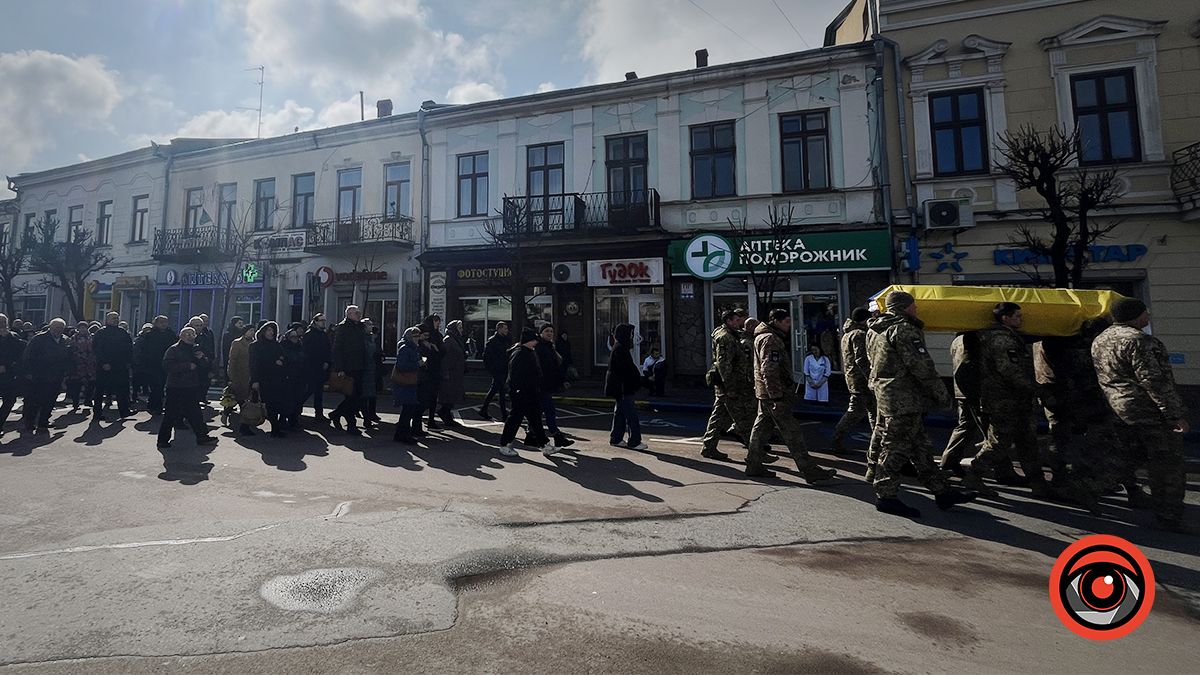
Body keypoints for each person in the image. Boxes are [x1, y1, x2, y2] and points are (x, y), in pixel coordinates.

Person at [867, 291, 976, 518]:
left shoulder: (875, 330)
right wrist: (942, 395)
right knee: (895, 447)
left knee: (921, 447)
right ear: (906, 307)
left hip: (889, 395)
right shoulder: (904, 329)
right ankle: (885, 495)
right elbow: (922, 367)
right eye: (914, 306)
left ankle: (942, 491)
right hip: (903, 399)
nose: (916, 309)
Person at [1092, 298, 1189, 530]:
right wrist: (1174, 414)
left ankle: (1089, 486)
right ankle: (1169, 516)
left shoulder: (1101, 339)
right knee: (1167, 464)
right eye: (1146, 313)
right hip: (1147, 410)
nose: (1148, 317)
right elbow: (1154, 381)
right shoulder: (1140, 341)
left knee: (1127, 456)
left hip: (1117, 408)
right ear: (1136, 316)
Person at [962, 303, 1052, 498]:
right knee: (999, 442)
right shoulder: (1002, 339)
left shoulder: (1002, 336)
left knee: (1028, 442)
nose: (1021, 319)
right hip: (1005, 400)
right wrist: (1035, 388)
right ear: (1005, 318)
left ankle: (1038, 483)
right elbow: (1009, 370)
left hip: (1014, 399)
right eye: (1017, 316)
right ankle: (974, 473)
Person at [745, 309, 837, 482]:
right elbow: (769, 370)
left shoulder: (763, 336)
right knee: (792, 432)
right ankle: (809, 470)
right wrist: (777, 398)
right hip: (773, 394)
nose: (789, 325)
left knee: (760, 430)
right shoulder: (770, 339)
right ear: (776, 321)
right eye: (786, 322)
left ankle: (754, 464)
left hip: (764, 392)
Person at [700, 308, 754, 462]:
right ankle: (757, 453)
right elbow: (725, 365)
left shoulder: (730, 335)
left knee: (718, 416)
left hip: (728, 385)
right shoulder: (726, 338)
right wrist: (730, 387)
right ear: (729, 321)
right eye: (736, 320)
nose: (739, 323)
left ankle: (709, 447)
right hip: (730, 385)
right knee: (741, 419)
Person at [157, 327, 218, 449]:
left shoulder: (195, 349)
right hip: (176, 386)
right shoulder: (174, 349)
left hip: (191, 386)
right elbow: (167, 366)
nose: (190, 336)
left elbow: (203, 367)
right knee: (170, 414)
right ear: (181, 336)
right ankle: (163, 440)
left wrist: (202, 359)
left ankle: (202, 437)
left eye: (192, 334)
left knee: (195, 413)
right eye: (187, 334)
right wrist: (186, 366)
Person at [498, 327, 553, 457]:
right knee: (515, 418)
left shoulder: (528, 352)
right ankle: (505, 444)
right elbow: (515, 375)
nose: (536, 342)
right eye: (535, 340)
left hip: (530, 391)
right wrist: (518, 389)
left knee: (535, 418)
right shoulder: (520, 353)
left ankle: (544, 445)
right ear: (529, 341)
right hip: (521, 392)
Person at [938, 332, 986, 476]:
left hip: (963, 389)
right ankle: (996, 468)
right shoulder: (972, 338)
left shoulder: (958, 339)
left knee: (966, 425)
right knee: (988, 431)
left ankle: (949, 460)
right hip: (973, 390)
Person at [831, 307, 874, 454]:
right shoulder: (859, 335)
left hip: (853, 379)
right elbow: (861, 359)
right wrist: (871, 377)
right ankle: (837, 437)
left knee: (870, 411)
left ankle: (878, 443)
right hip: (861, 380)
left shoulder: (847, 334)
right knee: (859, 411)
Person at [605, 323, 646, 451]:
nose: (632, 336)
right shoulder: (620, 349)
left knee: (620, 413)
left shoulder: (619, 347)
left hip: (620, 386)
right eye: (630, 334)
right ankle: (634, 441)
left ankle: (616, 438)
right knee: (630, 414)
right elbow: (625, 369)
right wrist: (635, 379)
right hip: (623, 387)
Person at [535, 323, 574, 450]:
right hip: (541, 385)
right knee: (549, 411)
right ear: (541, 333)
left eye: (551, 331)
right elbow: (541, 367)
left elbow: (556, 367)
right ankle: (556, 437)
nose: (549, 333)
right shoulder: (539, 347)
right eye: (546, 331)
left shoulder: (550, 347)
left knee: (540, 411)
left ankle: (534, 433)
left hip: (548, 384)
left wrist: (562, 380)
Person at [330, 305, 367, 435]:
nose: (358, 314)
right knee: (351, 396)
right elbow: (337, 349)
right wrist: (340, 368)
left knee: (356, 396)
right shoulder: (343, 327)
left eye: (358, 312)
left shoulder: (360, 327)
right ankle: (351, 425)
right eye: (355, 312)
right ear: (349, 314)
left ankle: (336, 414)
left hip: (359, 366)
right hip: (348, 367)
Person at [91, 311, 133, 421]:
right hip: (105, 366)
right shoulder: (101, 333)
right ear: (107, 320)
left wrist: (128, 362)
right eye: (113, 318)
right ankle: (97, 413)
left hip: (120, 365)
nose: (116, 320)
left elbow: (129, 348)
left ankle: (124, 411)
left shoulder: (123, 332)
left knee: (122, 389)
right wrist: (103, 362)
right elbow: (96, 349)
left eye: (117, 318)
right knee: (100, 390)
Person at [250, 321, 287, 438]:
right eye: (269, 330)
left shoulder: (276, 345)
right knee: (256, 403)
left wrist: (281, 361)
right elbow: (254, 364)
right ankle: (245, 425)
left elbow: (283, 357)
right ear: (263, 332)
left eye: (272, 330)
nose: (271, 333)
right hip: (263, 378)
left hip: (276, 378)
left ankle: (275, 428)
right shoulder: (256, 345)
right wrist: (255, 380)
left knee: (274, 404)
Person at [392, 326, 423, 444]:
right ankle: (403, 434)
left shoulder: (413, 348)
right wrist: (417, 364)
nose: (417, 338)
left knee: (409, 409)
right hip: (404, 382)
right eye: (415, 336)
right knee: (407, 409)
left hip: (410, 381)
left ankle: (401, 433)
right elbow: (402, 366)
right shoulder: (405, 348)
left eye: (418, 336)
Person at [139, 316, 175, 414]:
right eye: (161, 322)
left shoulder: (170, 334)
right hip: (153, 365)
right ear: (156, 323)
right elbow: (144, 351)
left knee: (161, 386)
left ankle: (152, 404)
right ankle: (156, 407)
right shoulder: (150, 335)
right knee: (156, 386)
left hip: (166, 364)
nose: (164, 324)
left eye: (165, 322)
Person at [225, 322, 257, 436]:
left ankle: (246, 422)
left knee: (246, 400)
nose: (252, 332)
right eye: (250, 330)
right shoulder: (237, 343)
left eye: (253, 330)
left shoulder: (255, 343)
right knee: (241, 399)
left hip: (251, 375)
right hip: (240, 375)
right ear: (245, 332)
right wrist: (231, 375)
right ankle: (241, 423)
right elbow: (232, 360)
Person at [437, 319, 468, 428]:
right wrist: (445, 372)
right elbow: (445, 358)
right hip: (450, 373)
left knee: (453, 396)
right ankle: (444, 414)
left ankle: (447, 416)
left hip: (456, 372)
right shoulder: (448, 340)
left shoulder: (457, 339)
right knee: (449, 396)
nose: (461, 330)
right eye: (459, 328)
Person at [301, 314, 332, 421]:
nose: (323, 322)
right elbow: (307, 352)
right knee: (309, 389)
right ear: (315, 322)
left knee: (319, 391)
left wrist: (327, 361)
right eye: (321, 320)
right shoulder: (309, 335)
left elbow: (328, 350)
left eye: (324, 320)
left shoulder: (323, 334)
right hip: (312, 367)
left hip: (322, 368)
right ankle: (296, 407)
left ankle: (319, 413)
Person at [478, 322, 511, 420]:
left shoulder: (505, 340)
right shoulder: (492, 341)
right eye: (505, 329)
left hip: (503, 369)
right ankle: (502, 414)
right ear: (499, 329)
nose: (507, 330)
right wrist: (492, 370)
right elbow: (487, 357)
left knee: (498, 391)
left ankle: (487, 410)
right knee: (499, 391)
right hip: (497, 370)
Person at [0, 314, 26, 434]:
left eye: (3, 321)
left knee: (10, 400)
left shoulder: (13, 336)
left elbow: (21, 352)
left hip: (8, 375)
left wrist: (13, 366)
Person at [419, 314, 445, 429]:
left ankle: (431, 419)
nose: (438, 323)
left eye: (438, 321)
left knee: (433, 396)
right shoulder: (425, 333)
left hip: (436, 368)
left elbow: (442, 350)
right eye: (436, 321)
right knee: (425, 397)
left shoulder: (437, 335)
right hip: (427, 370)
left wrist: (436, 349)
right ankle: (417, 418)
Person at [281, 323, 307, 429]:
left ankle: (294, 420)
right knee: (286, 400)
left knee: (298, 400)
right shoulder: (284, 347)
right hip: (287, 378)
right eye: (292, 337)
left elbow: (304, 360)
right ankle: (283, 420)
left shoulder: (300, 347)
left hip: (299, 377)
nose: (295, 339)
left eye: (296, 337)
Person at [65, 321, 96, 411]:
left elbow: (94, 348)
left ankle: (88, 399)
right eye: (81, 328)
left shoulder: (91, 337)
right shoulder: (74, 338)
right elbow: (71, 349)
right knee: (77, 384)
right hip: (78, 364)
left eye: (84, 327)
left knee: (90, 383)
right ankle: (76, 402)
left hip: (90, 364)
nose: (83, 329)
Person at [361, 318, 383, 430]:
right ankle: (366, 418)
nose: (371, 326)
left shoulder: (372, 338)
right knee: (365, 396)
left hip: (373, 369)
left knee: (372, 394)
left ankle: (371, 414)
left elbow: (376, 351)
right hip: (365, 370)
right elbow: (367, 353)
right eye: (369, 325)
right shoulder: (363, 339)